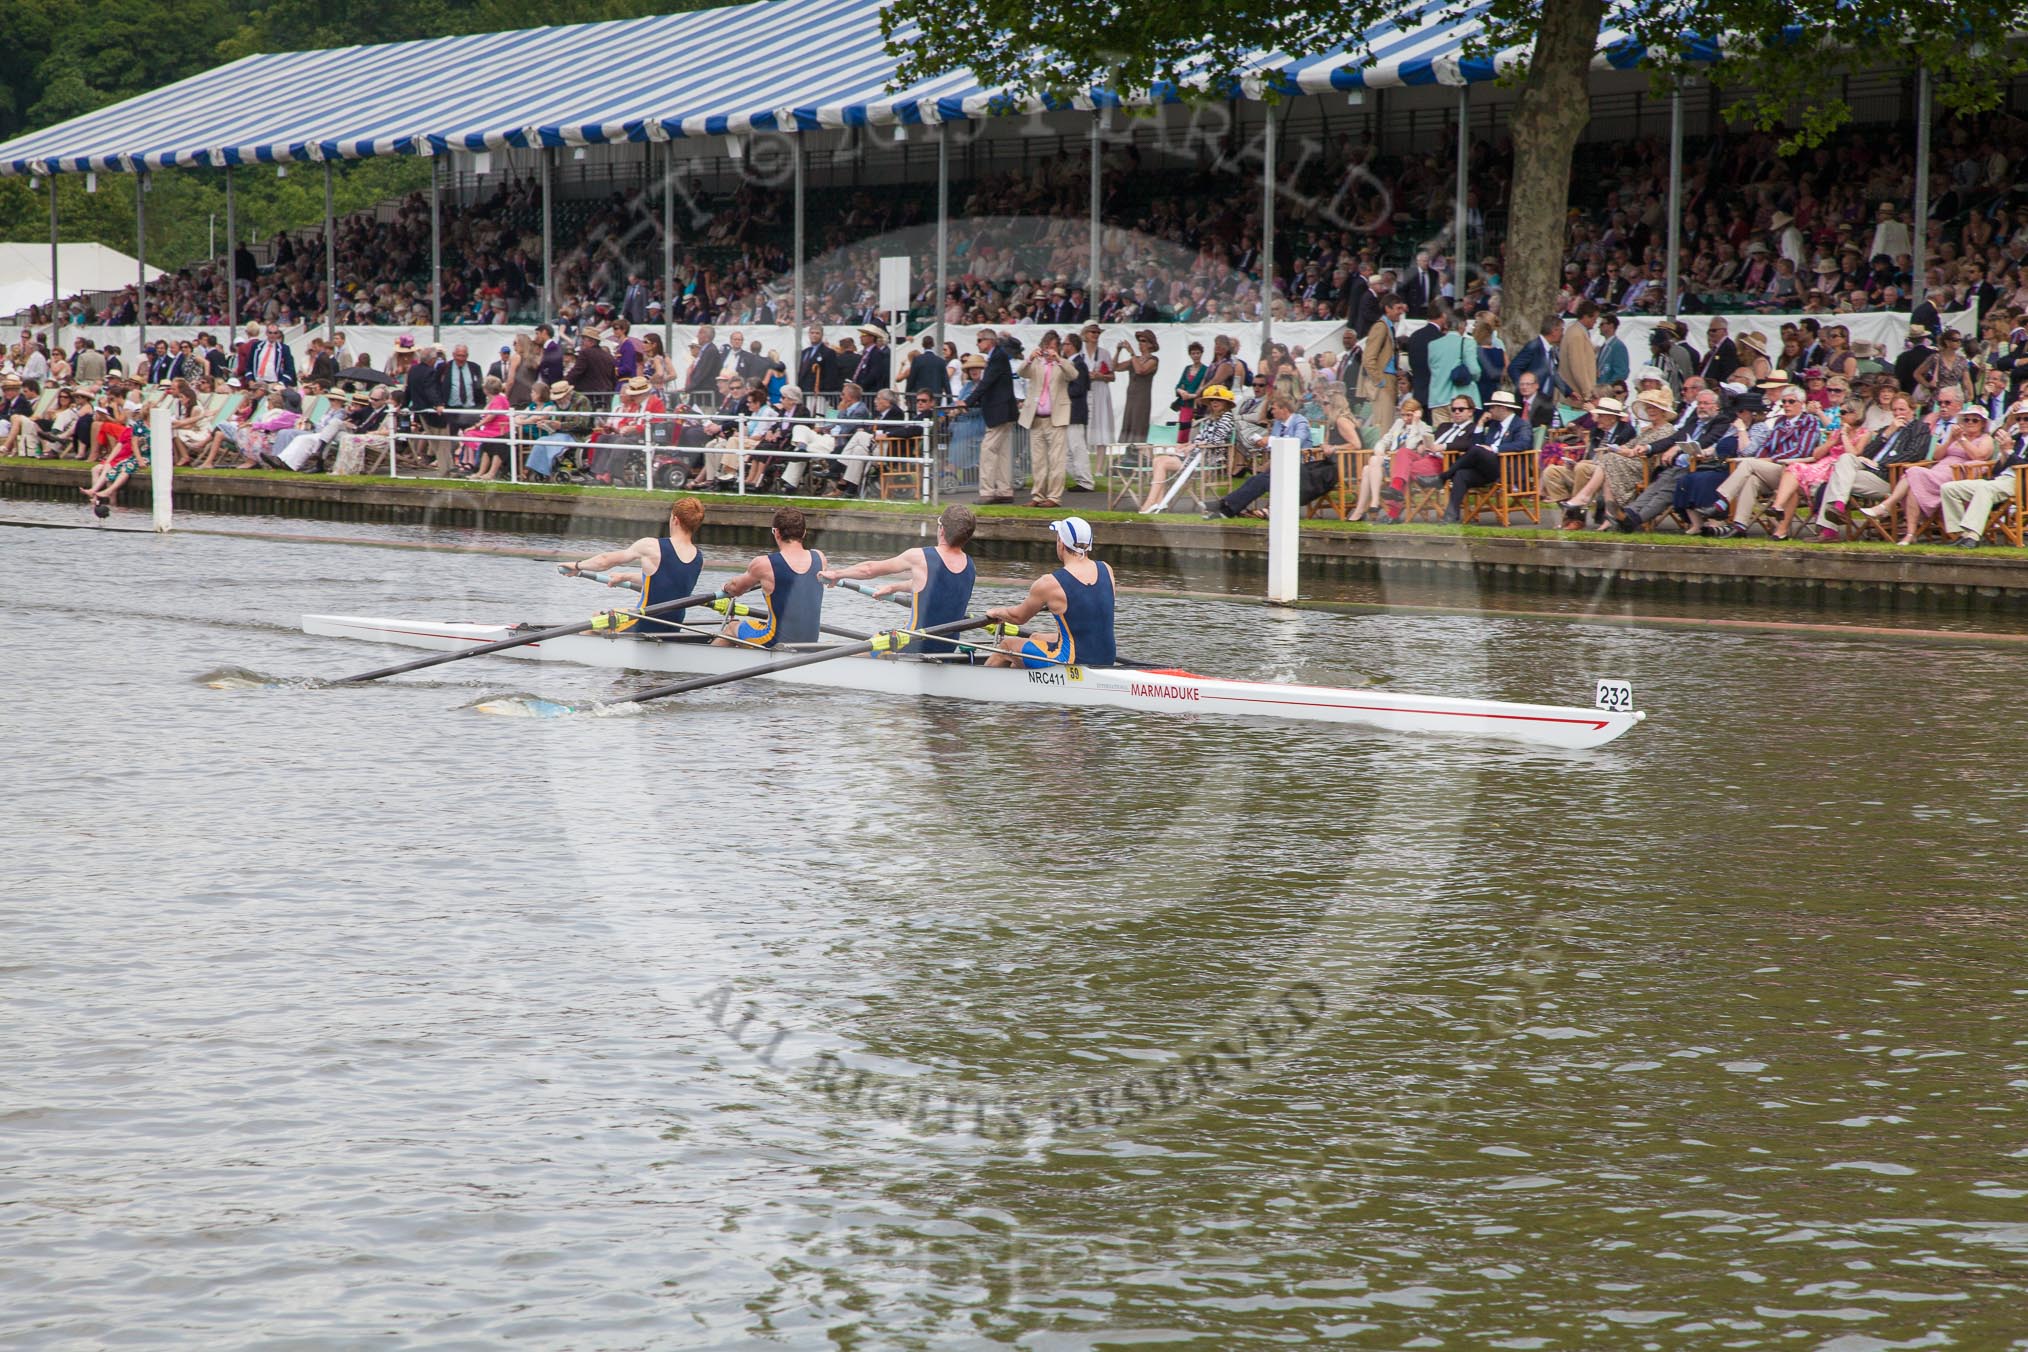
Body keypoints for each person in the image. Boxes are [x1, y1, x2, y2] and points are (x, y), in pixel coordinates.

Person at [821, 505, 977, 653]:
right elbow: (930, 585)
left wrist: (837, 574)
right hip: (948, 648)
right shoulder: (970, 566)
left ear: (941, 530)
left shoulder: (920, 557)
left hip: (913, 645)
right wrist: (893, 588)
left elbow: (869, 569)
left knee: (863, 650)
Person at [984, 517, 1116, 670]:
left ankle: (978, 687)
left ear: (1061, 543)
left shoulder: (1050, 583)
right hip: (1107, 658)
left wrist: (996, 612)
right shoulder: (1107, 569)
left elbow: (1018, 617)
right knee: (1035, 638)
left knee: (1007, 646)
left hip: (1071, 662)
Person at [565, 497, 707, 638]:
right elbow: (664, 582)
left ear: (675, 520)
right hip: (673, 627)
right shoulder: (698, 558)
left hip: (645, 623)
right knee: (609, 619)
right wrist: (625, 577)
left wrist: (578, 565)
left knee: (596, 619)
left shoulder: (651, 546)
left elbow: (605, 561)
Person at [1863, 405, 1992, 545]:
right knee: (1914, 486)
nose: (1970, 423)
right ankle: (1910, 534)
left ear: (1983, 423)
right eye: (1966, 420)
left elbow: (1979, 456)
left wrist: (1962, 440)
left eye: (1975, 420)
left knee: (1913, 472)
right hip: (1938, 471)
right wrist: (1950, 440)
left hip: (1958, 475)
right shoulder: (1957, 436)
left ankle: (1887, 506)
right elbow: (1937, 455)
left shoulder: (1985, 439)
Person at [716, 506, 827, 648]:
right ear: (804, 533)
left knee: (732, 627)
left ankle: (705, 666)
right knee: (768, 621)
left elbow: (736, 589)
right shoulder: (820, 558)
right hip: (810, 642)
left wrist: (725, 587)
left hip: (775, 641)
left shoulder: (764, 564)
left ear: (776, 532)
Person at [1942, 401, 2028, 547]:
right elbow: (1997, 469)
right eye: (2019, 419)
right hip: (2001, 480)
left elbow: (2024, 466)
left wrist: (2008, 452)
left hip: (2022, 482)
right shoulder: (2016, 438)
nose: (2021, 422)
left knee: (1985, 489)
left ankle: (1973, 537)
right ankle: (1961, 534)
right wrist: (2003, 454)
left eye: (2026, 418)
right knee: (1949, 488)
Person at [1440, 390, 1532, 523]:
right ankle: (1450, 516)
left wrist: (1495, 448)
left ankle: (1444, 476)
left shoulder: (1521, 425)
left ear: (1503, 408)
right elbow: (1474, 447)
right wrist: (1480, 424)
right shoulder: (1494, 425)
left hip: (1509, 469)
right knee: (1461, 474)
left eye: (1493, 407)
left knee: (1479, 451)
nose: (1490, 410)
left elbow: (1523, 444)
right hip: (1489, 470)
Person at [1019, 331, 1074, 508]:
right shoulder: (1035, 363)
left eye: (1053, 347)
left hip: (1056, 419)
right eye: (1047, 347)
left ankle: (1054, 497)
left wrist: (1058, 358)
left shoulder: (1063, 364)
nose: (1049, 351)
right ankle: (1038, 496)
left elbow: (1074, 375)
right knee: (1038, 460)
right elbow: (1021, 372)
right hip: (1036, 418)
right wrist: (1029, 358)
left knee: (1056, 459)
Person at [967, 332, 1019, 504]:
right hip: (1004, 411)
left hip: (1000, 412)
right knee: (1003, 452)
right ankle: (1004, 491)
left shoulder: (997, 356)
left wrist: (967, 401)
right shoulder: (999, 356)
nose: (977, 344)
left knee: (988, 451)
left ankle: (987, 492)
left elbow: (986, 382)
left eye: (980, 340)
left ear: (990, 341)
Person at [1116, 331, 1159, 444]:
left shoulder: (1153, 360)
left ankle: (1137, 453)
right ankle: (1127, 453)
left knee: (1138, 423)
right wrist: (1118, 351)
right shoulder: (1135, 359)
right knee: (1129, 422)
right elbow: (1115, 367)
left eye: (1143, 341)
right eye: (1139, 341)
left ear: (1151, 344)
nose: (1140, 343)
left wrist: (1131, 352)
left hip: (1142, 398)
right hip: (1131, 397)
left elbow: (1140, 370)